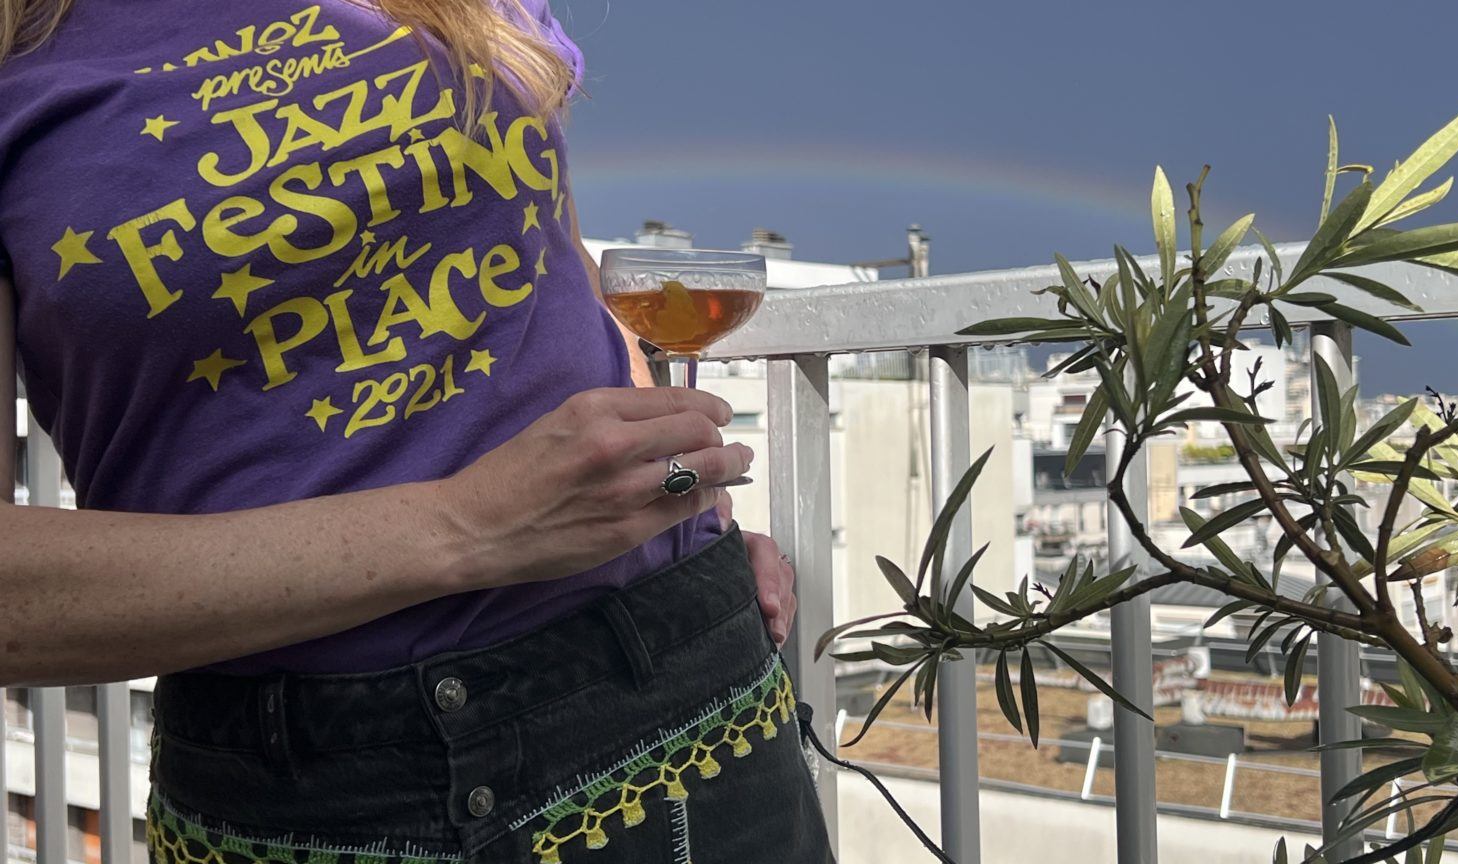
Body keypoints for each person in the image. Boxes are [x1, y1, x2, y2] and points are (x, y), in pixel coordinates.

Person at [0, 0, 835, 861]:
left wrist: (677, 497)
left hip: (676, 680)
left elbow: (547, 248)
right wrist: (467, 526)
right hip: (303, 788)